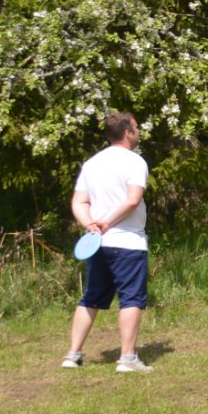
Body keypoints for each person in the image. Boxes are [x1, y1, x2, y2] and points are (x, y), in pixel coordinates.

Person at [62, 112, 153, 372]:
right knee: (131, 298)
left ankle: (73, 355)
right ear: (127, 132)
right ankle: (127, 358)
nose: (138, 131)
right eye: (136, 127)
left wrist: (91, 225)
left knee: (91, 297)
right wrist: (107, 222)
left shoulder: (92, 163)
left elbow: (78, 202)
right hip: (128, 241)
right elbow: (133, 199)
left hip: (98, 243)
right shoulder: (135, 162)